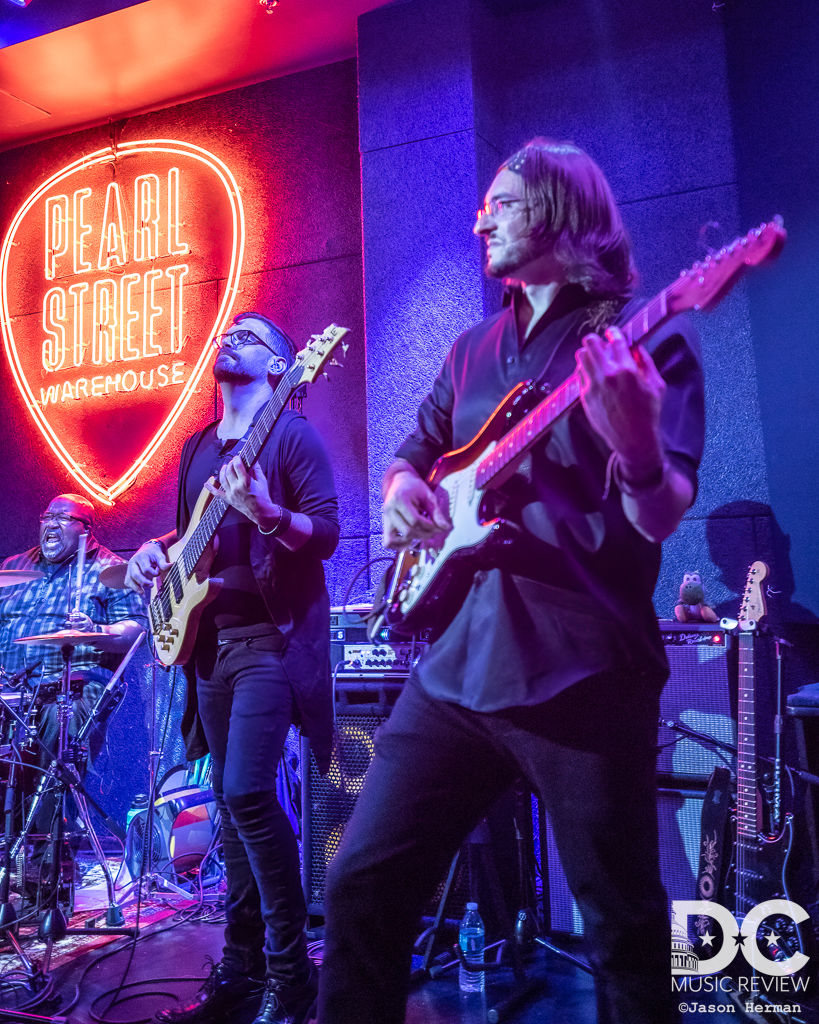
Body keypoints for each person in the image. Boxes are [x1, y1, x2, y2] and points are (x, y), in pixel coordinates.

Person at [318, 139, 705, 1024]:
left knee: (623, 932)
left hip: (581, 668)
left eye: (503, 201)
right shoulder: (470, 349)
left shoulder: (643, 337)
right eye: (483, 203)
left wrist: (637, 446)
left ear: (564, 212)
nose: (479, 217)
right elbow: (414, 454)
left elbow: (658, 515)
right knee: (359, 888)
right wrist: (402, 490)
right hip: (456, 669)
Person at [125, 312, 339, 1024]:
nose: (232, 338)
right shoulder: (193, 449)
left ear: (284, 369)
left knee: (248, 793)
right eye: (229, 331)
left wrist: (271, 513)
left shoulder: (292, 435)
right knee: (231, 802)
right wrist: (152, 553)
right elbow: (192, 538)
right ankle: (243, 973)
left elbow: (328, 533)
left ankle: (291, 975)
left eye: (250, 337)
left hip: (270, 642)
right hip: (207, 648)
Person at [0, 493, 146, 871]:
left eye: (63, 519)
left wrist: (96, 629)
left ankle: (44, 862)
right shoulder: (14, 567)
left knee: (57, 731)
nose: (51, 524)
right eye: (47, 516)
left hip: (76, 686)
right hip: (15, 688)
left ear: (86, 529)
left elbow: (134, 630)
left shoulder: (110, 570)